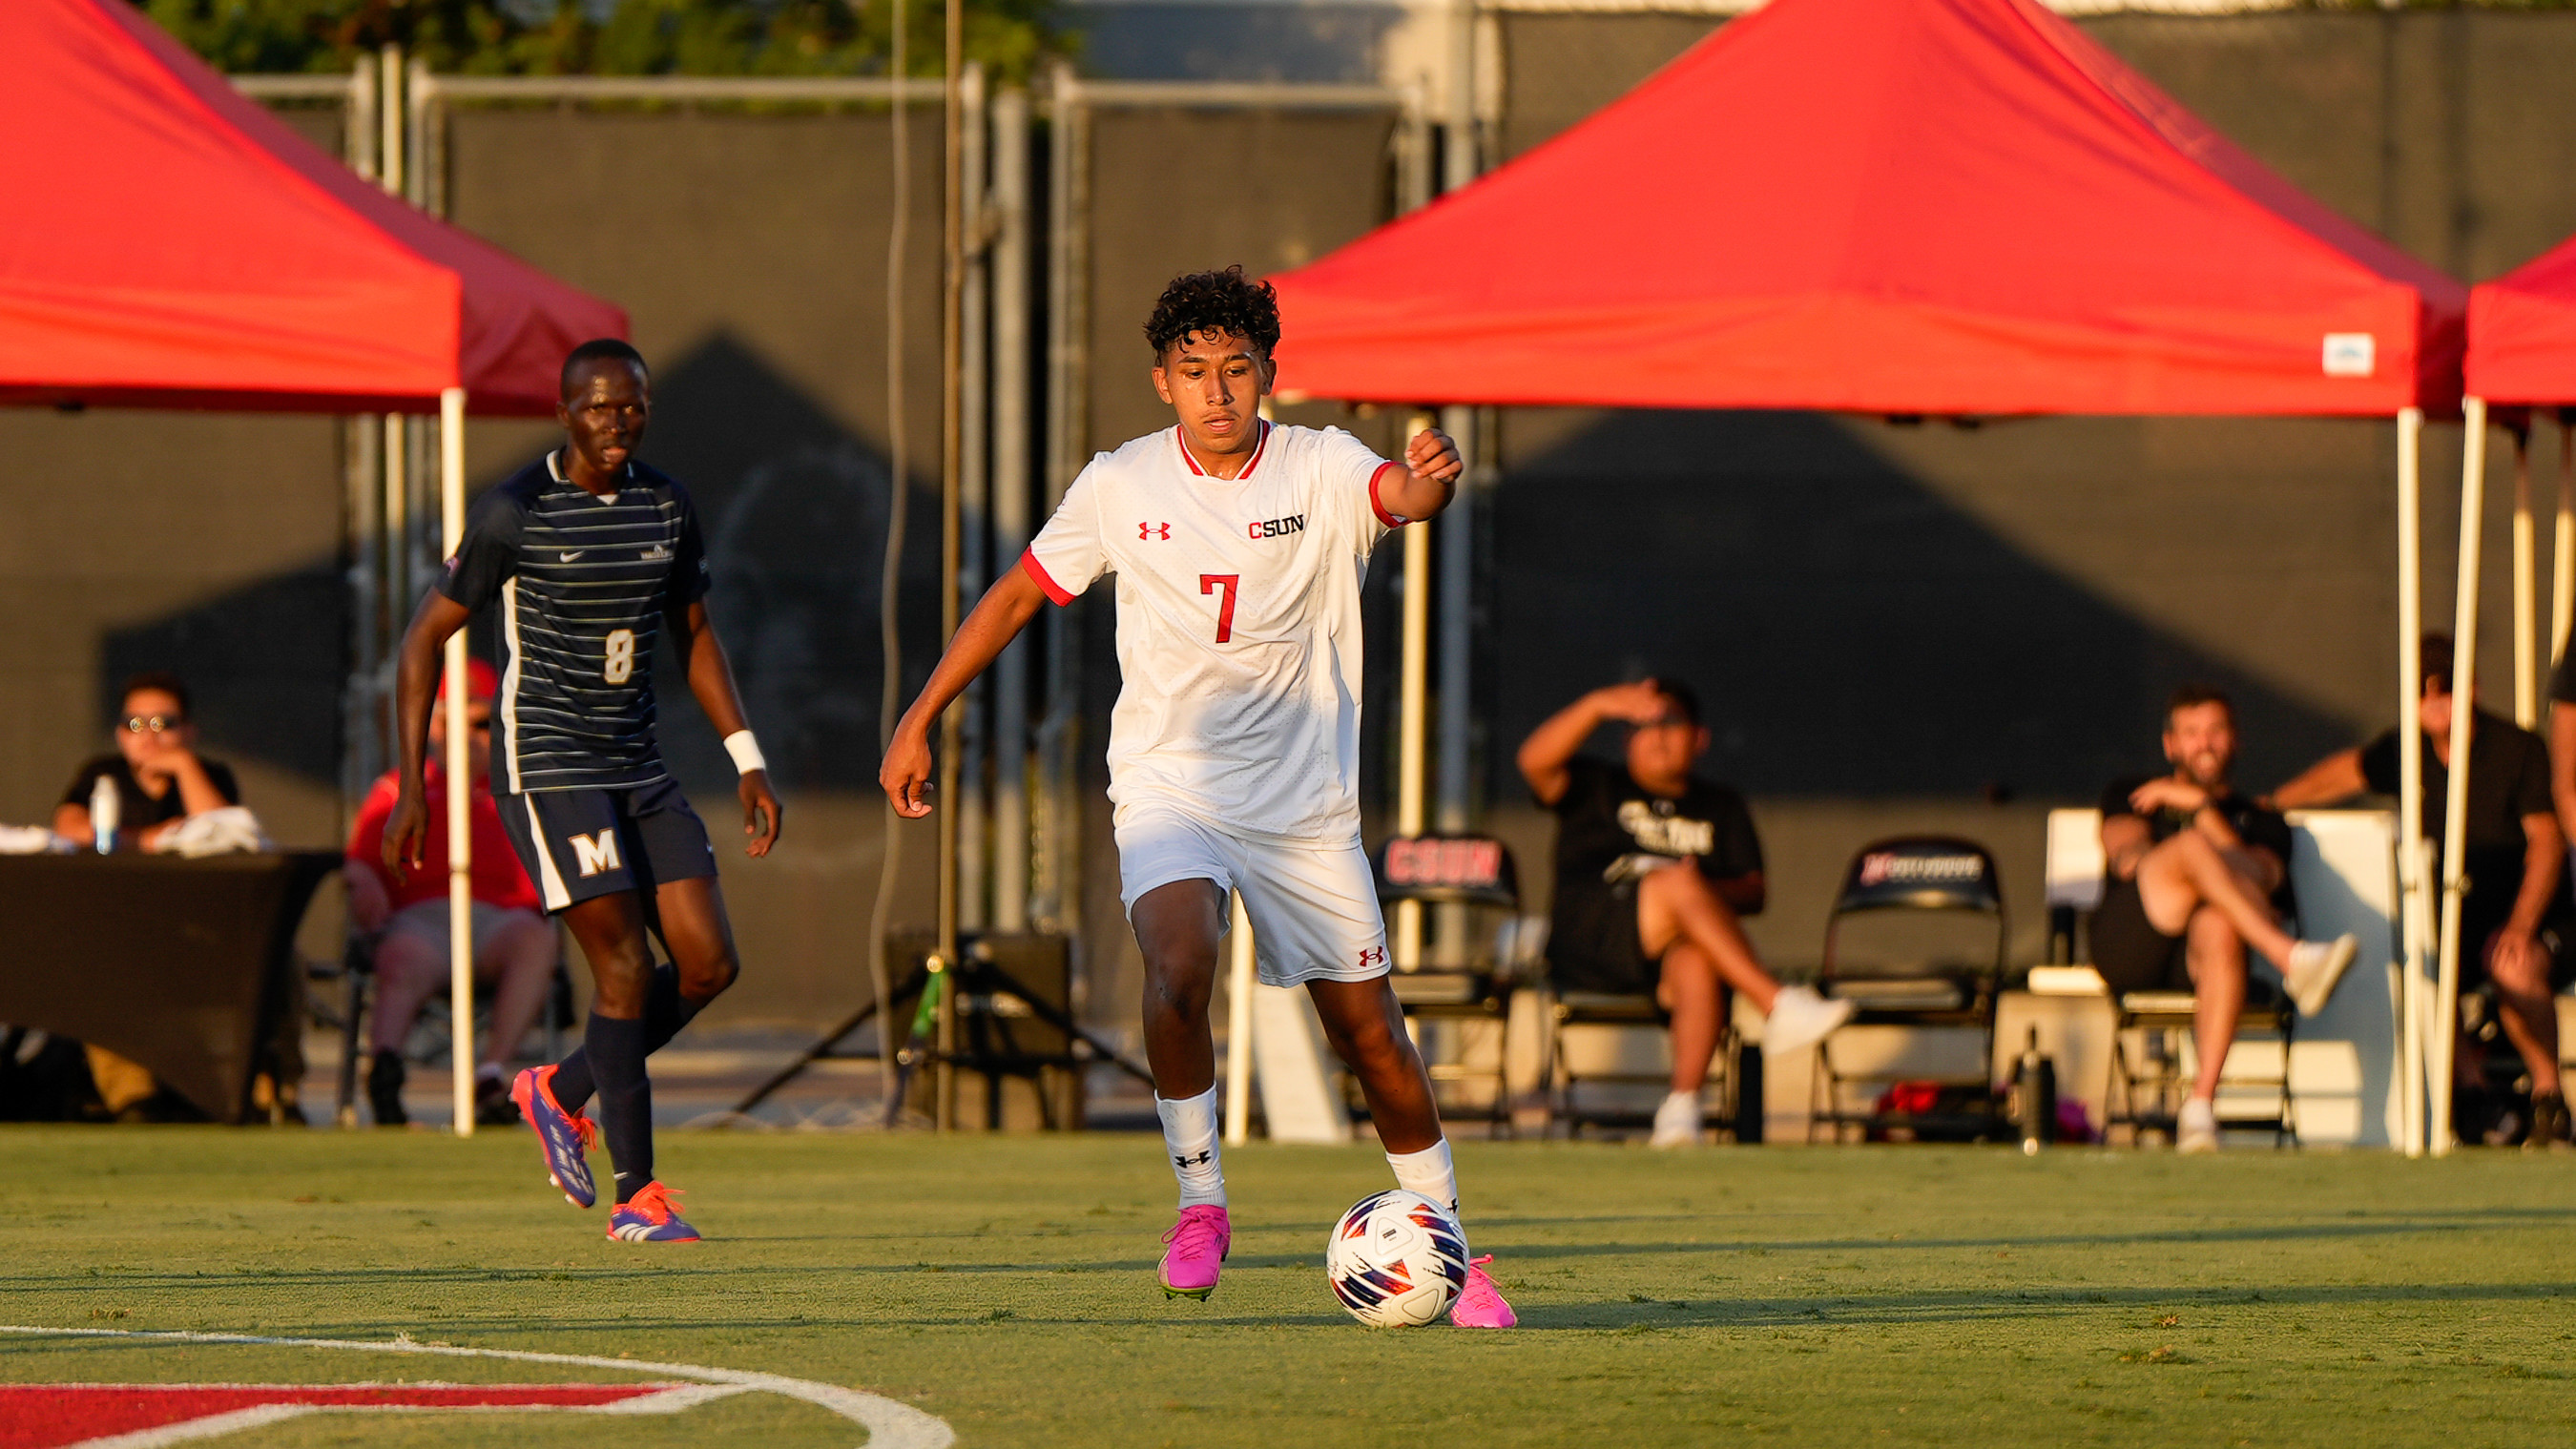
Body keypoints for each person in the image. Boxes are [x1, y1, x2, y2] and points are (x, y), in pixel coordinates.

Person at [881, 266, 1515, 1327]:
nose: (1216, 391)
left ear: (1269, 373)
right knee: (1179, 965)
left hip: (1303, 807)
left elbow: (1401, 499)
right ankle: (1201, 1200)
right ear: (1161, 382)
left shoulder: (1320, 464)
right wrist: (920, 715)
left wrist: (1432, 479)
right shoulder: (1120, 483)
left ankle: (1452, 1246)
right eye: (1193, 372)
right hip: (1170, 783)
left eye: (1236, 368)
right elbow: (1019, 592)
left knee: (1370, 1036)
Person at [385, 338, 782, 1244]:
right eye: (599, 406)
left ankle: (558, 1088)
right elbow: (421, 642)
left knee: (709, 963)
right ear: (564, 412)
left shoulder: (666, 503)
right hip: (550, 767)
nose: (618, 420)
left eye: (632, 404)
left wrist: (747, 758)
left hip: (638, 764)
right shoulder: (515, 510)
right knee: (624, 969)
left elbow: (694, 633)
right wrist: (413, 785)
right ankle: (637, 1198)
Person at [1517, 677, 1852, 1148]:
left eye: (1671, 723)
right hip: (1589, 941)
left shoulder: (1721, 804)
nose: (1657, 736)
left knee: (1696, 956)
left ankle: (1681, 1108)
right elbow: (1533, 762)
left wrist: (1694, 894)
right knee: (1676, 882)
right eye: (1644, 725)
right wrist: (1597, 705)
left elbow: (1754, 893)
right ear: (1627, 739)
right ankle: (1776, 1003)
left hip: (1665, 956)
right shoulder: (1595, 785)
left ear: (1699, 737)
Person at [2277, 634, 2569, 1147]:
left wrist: (2522, 926)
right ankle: (2476, 1097)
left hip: (2529, 916)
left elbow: (2546, 842)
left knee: (2512, 967)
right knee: (2424, 967)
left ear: (2472, 688)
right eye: (2421, 690)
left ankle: (2549, 1098)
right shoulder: (2405, 751)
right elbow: (2345, 773)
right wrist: (2271, 805)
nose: (2434, 701)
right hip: (2452, 923)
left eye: (2446, 687)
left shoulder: (2517, 749)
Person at [2096, 685, 2357, 1153]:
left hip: (2205, 958)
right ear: (2170, 745)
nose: (2205, 743)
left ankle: (2199, 1107)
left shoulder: (2262, 820)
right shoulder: (2134, 793)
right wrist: (2190, 862)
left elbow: (2262, 877)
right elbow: (2128, 858)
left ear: (2235, 740)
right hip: (2131, 942)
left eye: (2215, 731)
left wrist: (2200, 810)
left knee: (2218, 920)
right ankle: (2291, 958)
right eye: (2191, 732)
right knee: (2191, 849)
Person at [345, 658, 556, 1129]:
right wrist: (362, 880)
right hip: (425, 920)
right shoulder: (399, 788)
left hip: (501, 921)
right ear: (434, 726)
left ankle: (491, 1077)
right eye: (457, 723)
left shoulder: (520, 788)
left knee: (536, 940)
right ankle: (384, 1074)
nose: (471, 736)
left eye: (483, 723)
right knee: (401, 956)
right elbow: (360, 858)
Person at [52, 671, 244, 1119]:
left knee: (276, 960)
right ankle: (133, 1098)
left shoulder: (210, 775)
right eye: (135, 724)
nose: (149, 736)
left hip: (198, 929)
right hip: (119, 925)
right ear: (120, 732)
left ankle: (266, 1094)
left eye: (163, 723)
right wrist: (150, 840)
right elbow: (70, 828)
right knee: (99, 959)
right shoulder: (102, 776)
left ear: (188, 731)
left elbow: (227, 832)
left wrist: (184, 767)